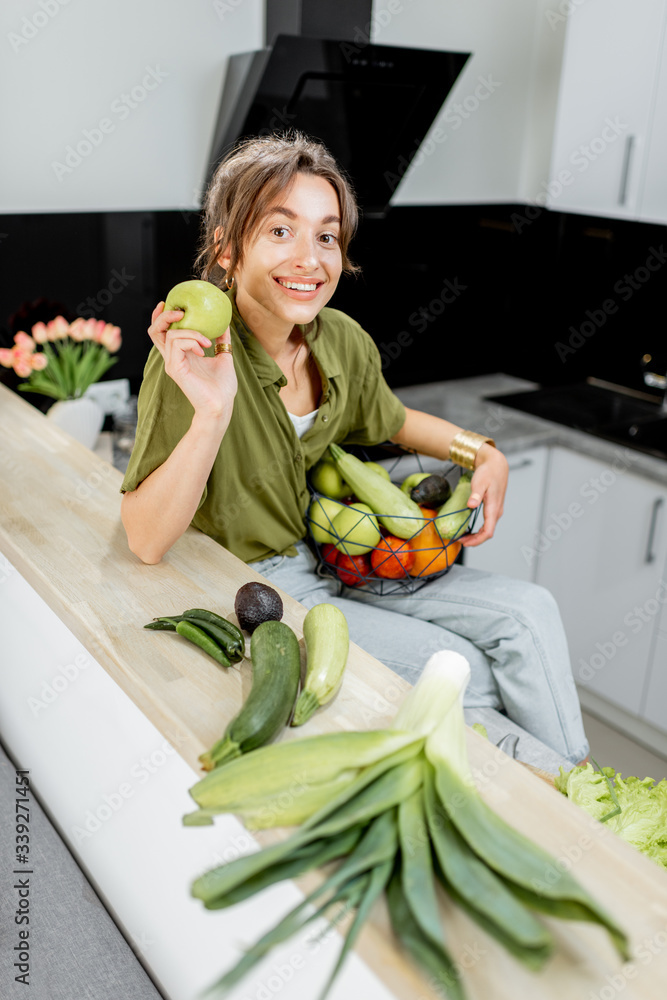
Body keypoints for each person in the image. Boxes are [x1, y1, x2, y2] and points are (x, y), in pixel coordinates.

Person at [120, 131, 589, 766]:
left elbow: (392, 418)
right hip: (265, 585)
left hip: (346, 552)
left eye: (327, 235)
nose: (310, 257)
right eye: (280, 231)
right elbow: (146, 539)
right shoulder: (193, 358)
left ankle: (588, 794)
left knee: (530, 612)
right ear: (228, 250)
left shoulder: (337, 337)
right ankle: (577, 815)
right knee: (467, 672)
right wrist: (211, 409)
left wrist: (482, 452)